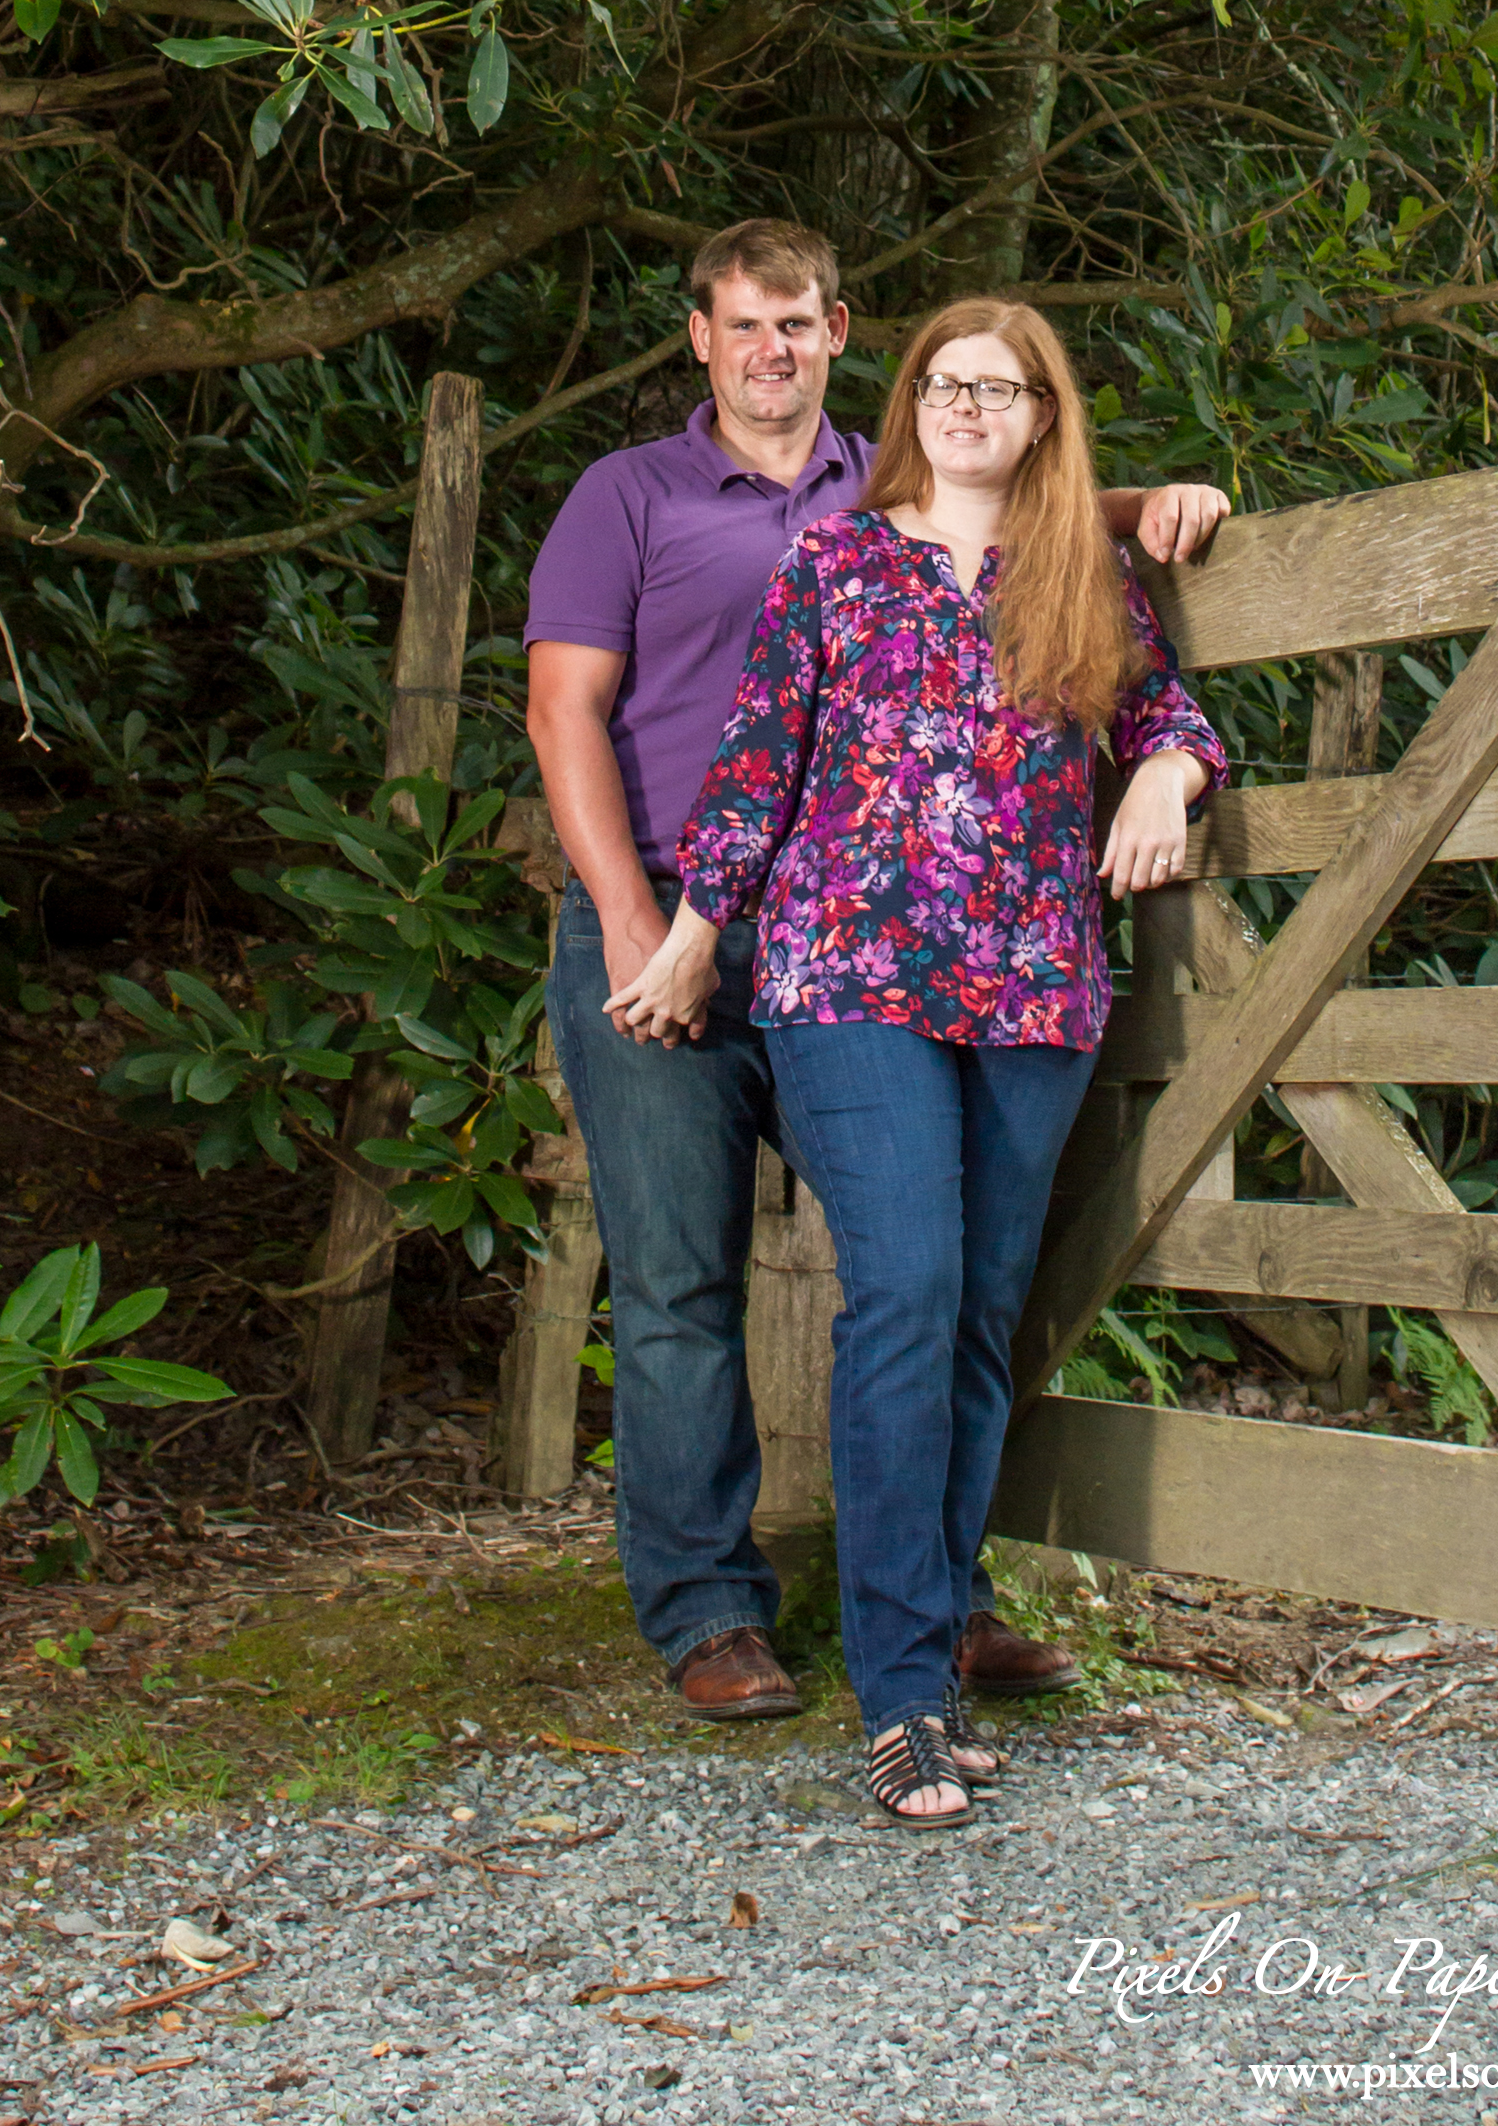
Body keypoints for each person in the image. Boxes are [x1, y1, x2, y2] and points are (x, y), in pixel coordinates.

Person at [525, 222, 1230, 1723]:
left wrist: (1155, 513)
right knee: (678, 1275)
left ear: (841, 334)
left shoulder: (883, 474)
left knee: (946, 1283)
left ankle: (932, 1595)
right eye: (743, 326)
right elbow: (564, 715)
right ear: (701, 340)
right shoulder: (632, 497)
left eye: (797, 323)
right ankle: (714, 1607)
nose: (771, 349)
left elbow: (1018, 509)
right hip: (684, 914)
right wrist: (650, 924)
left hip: (912, 946)